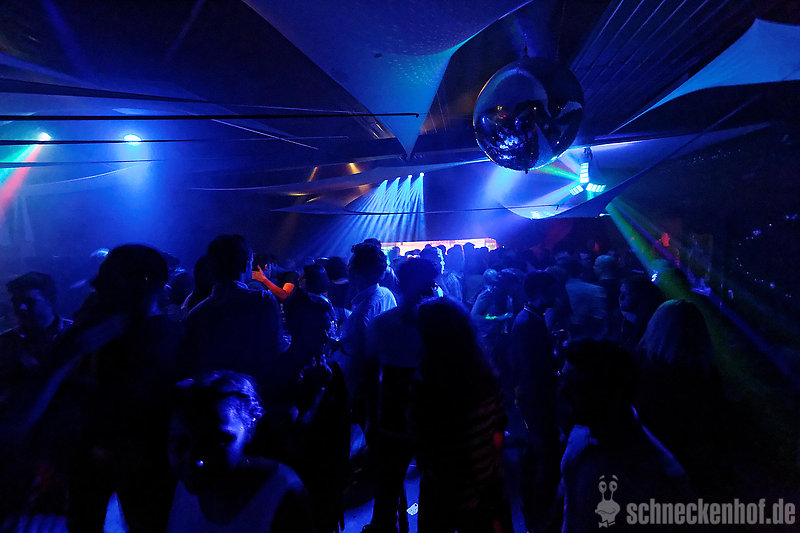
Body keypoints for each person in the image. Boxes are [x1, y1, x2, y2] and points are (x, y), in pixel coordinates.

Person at [68, 244, 184, 533]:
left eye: (108, 276)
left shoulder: (172, 340)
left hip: (144, 466)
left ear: (143, 281)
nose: (95, 283)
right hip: (100, 457)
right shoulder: (103, 332)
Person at [559, 340, 692, 533]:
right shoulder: (581, 436)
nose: (561, 392)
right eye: (562, 379)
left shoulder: (646, 475)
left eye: (573, 386)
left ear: (611, 395)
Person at [409, 298, 512, 533]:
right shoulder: (487, 376)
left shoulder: (425, 387)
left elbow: (424, 446)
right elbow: (498, 429)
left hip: (443, 492)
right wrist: (493, 470)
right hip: (485, 486)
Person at [167, 371, 313, 533]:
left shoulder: (283, 496)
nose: (194, 459)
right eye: (180, 443)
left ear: (250, 429)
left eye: (215, 441)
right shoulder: (188, 483)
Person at [363, 257, 439, 533]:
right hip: (430, 413)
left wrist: (372, 418)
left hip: (395, 411)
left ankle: (387, 526)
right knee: (432, 483)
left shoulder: (384, 323)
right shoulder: (440, 323)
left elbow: (370, 374)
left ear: (398, 282)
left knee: (389, 481)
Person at [184, 235, 287, 402]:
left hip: (209, 400)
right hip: (252, 398)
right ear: (246, 264)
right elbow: (276, 350)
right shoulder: (262, 300)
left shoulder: (195, 314)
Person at [510, 271, 561, 533]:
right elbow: (531, 367)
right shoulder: (527, 322)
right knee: (543, 448)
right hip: (536, 396)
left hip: (535, 395)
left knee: (537, 447)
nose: (557, 295)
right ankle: (538, 506)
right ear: (542, 292)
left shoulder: (530, 317)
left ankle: (533, 501)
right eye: (553, 290)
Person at [337, 243, 397, 425]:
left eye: (351, 265)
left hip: (362, 383)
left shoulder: (366, 308)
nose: (348, 269)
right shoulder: (386, 293)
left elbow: (361, 354)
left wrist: (337, 344)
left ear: (358, 273)